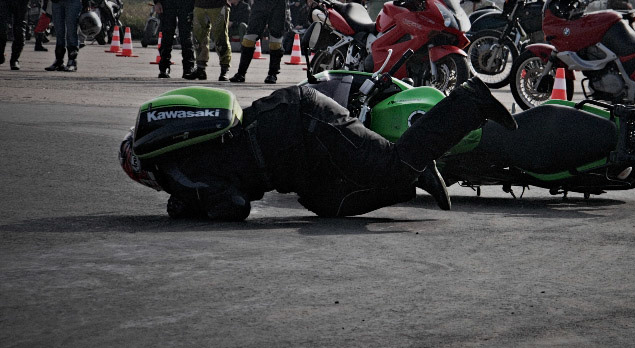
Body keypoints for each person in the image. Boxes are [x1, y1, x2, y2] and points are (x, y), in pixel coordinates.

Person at [119, 77, 518, 221]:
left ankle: (470, 101)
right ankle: (415, 168)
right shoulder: (186, 168)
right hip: (295, 157)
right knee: (332, 204)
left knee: (390, 166)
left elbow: (235, 206)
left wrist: (192, 207)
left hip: (304, 123)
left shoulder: (182, 177)